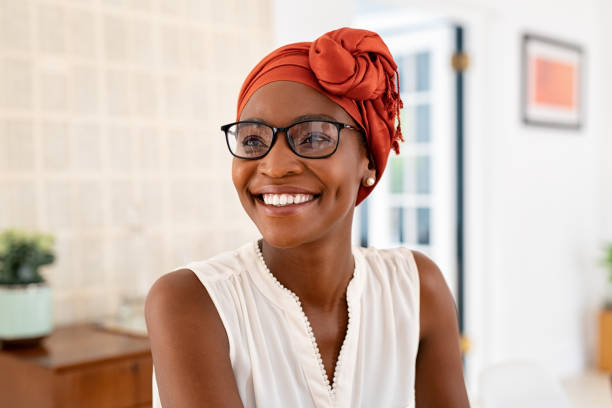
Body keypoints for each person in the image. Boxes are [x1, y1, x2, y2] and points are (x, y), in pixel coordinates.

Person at [145, 27, 470, 408]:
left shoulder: (416, 288)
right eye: (252, 140)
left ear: (368, 157)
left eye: (313, 137)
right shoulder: (190, 302)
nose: (275, 166)